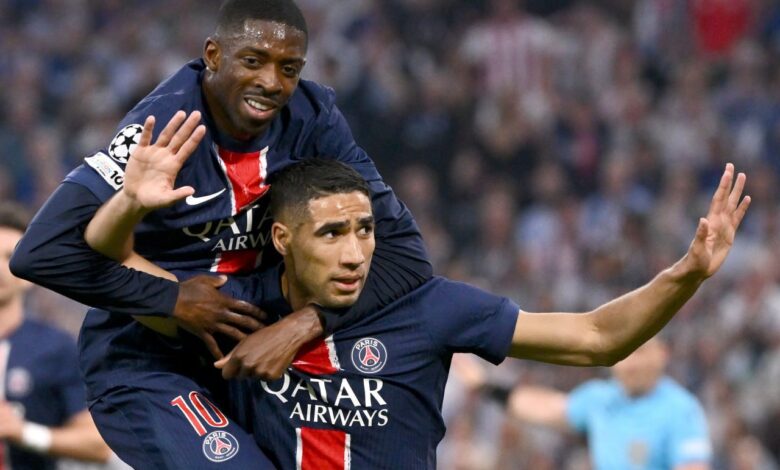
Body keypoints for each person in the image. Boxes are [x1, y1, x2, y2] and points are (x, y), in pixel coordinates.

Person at [93, 157, 748, 468]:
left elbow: (596, 337)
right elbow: (116, 270)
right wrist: (128, 202)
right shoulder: (238, 310)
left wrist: (686, 273)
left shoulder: (429, 306)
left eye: (365, 230)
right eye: (331, 234)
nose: (355, 252)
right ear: (284, 240)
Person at [9, 0, 431, 468]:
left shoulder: (314, 120)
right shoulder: (162, 125)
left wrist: (306, 323)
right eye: (253, 60)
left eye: (288, 68)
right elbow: (40, 252)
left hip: (260, 355)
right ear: (213, 55)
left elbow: (405, 255)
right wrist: (172, 299)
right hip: (150, 361)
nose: (271, 82)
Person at [0, 202, 112, 469]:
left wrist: (23, 432)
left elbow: (99, 445)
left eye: (9, 257)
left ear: (27, 272)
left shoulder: (54, 348)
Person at [506, 337, 712, 470]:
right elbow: (546, 408)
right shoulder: (599, 398)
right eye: (622, 353)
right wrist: (492, 389)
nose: (630, 364)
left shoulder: (681, 410)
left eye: (640, 352)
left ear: (662, 353)